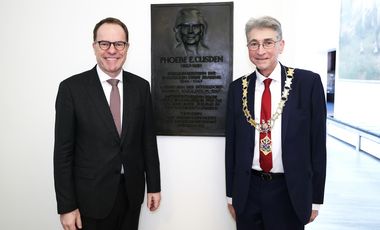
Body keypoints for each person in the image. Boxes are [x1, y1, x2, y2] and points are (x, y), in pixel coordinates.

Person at [54, 17, 161, 230]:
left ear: (127, 48)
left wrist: (154, 186)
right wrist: (66, 206)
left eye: (119, 44)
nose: (112, 50)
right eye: (104, 43)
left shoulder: (141, 87)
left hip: (131, 195)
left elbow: (147, 141)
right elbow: (63, 154)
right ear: (95, 47)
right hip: (90, 200)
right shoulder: (71, 89)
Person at [225, 16, 326, 230]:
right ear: (248, 47)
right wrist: (231, 196)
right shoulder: (237, 89)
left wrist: (316, 199)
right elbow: (231, 148)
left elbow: (318, 146)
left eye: (268, 42)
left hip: (289, 192)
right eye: (254, 43)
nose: (260, 50)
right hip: (248, 191)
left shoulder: (308, 84)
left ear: (281, 45)